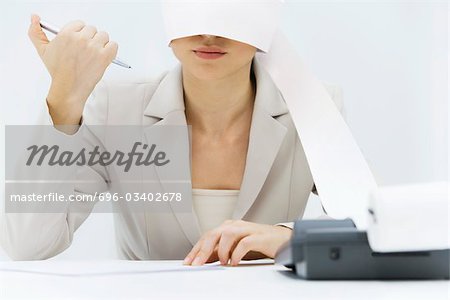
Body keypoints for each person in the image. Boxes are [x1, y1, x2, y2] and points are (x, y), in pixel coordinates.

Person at [1, 9, 343, 265]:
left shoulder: (312, 106)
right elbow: (27, 246)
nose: (209, 32)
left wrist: (289, 237)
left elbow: (371, 224)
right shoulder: (116, 108)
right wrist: (63, 99)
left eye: (231, 9)